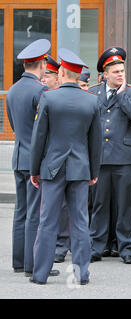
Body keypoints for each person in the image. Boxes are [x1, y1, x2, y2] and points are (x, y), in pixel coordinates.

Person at [29, 48, 102, 285]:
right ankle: (82, 276)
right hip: (81, 169)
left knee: (47, 221)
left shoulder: (49, 98)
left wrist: (34, 170)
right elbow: (96, 141)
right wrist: (94, 172)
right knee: (80, 222)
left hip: (52, 168)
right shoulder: (92, 100)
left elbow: (39, 138)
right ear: (78, 75)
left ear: (61, 72)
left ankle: (40, 275)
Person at [6, 39, 59, 278]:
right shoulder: (40, 91)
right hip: (34, 159)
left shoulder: (13, 90)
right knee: (34, 214)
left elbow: (15, 125)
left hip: (18, 157)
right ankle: (31, 264)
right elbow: (44, 129)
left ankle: (19, 261)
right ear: (42, 65)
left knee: (20, 211)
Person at [88, 47, 131, 265]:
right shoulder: (93, 92)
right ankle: (97, 245)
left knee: (126, 206)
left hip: (124, 158)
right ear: (105, 74)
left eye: (122, 71)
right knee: (99, 204)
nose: (120, 75)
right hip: (100, 157)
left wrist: (122, 97)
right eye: (115, 72)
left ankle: (126, 247)